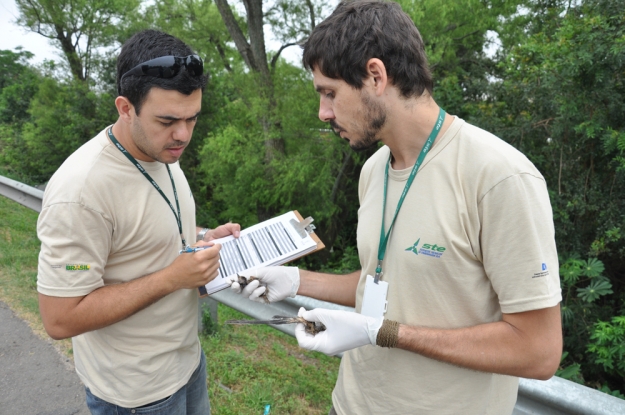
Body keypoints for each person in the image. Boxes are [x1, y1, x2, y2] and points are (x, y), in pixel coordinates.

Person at [227, 1, 563, 414]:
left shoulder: (499, 177)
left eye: (330, 93)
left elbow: (538, 351)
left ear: (375, 75)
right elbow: (383, 279)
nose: (323, 113)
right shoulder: (374, 170)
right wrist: (296, 281)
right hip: (349, 405)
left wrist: (383, 333)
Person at [36, 29, 239, 415]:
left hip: (187, 364)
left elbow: (145, 234)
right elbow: (60, 317)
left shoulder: (160, 151)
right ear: (125, 108)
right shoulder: (80, 193)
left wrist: (204, 238)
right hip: (135, 394)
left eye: (192, 119)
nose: (183, 135)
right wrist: (172, 278)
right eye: (167, 121)